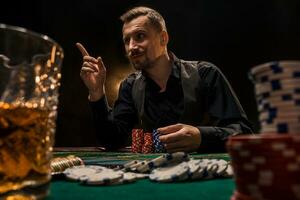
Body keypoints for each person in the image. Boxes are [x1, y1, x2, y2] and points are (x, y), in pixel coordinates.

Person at [77, 6, 253, 153]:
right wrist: (96, 92)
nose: (131, 47)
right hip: (151, 179)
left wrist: (201, 136)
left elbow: (243, 132)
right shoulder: (129, 86)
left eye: (139, 36)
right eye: (126, 40)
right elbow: (112, 141)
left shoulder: (205, 73)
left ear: (163, 38)